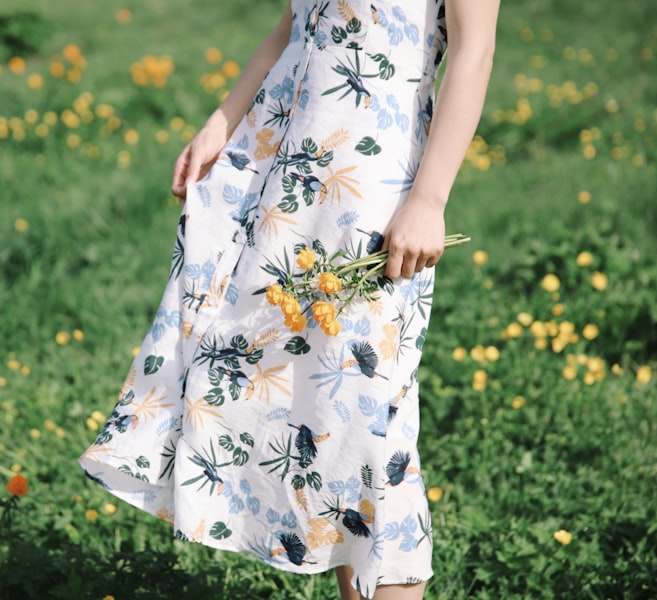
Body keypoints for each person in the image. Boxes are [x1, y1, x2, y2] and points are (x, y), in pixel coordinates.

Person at [79, 1, 499, 598]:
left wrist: (430, 199)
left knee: (369, 411)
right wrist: (221, 123)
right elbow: (289, 26)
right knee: (322, 415)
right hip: (273, 172)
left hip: (366, 187)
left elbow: (474, 52)